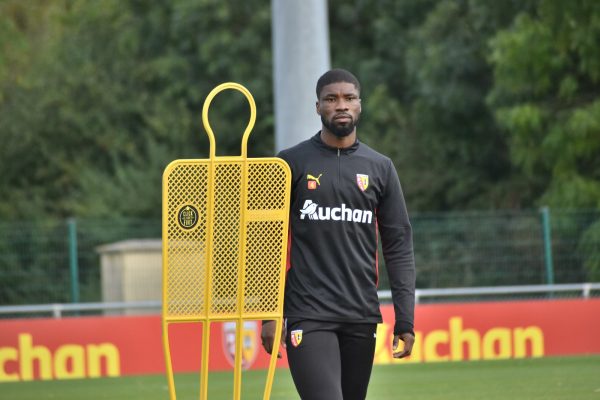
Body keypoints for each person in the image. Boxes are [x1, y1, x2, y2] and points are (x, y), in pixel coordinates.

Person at [261, 68, 416, 400]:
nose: (341, 105)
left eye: (349, 98)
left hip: (360, 313)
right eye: (331, 99)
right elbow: (268, 245)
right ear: (317, 107)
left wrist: (405, 319)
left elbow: (398, 246)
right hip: (308, 313)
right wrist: (268, 316)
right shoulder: (289, 163)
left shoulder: (381, 168)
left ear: (360, 105)